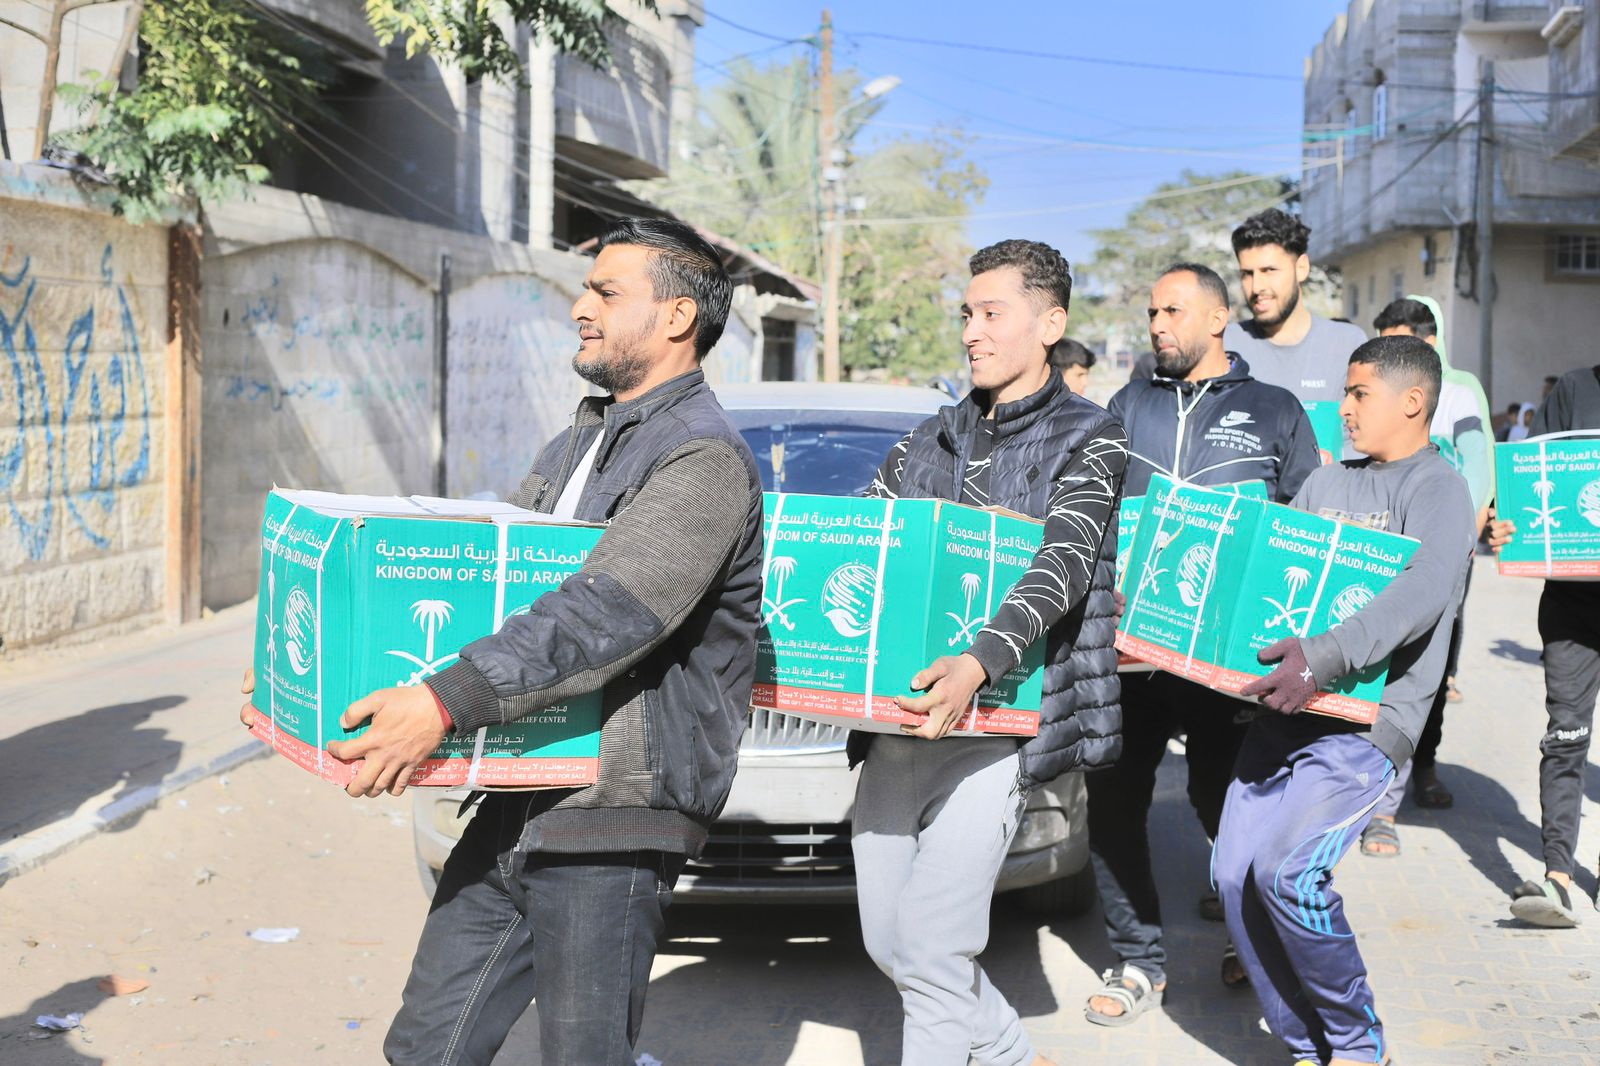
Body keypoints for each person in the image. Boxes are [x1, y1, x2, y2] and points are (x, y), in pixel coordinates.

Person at [236, 218, 765, 1066]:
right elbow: (491, 589)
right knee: (426, 1047)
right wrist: (302, 682)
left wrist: (442, 703)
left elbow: (606, 613)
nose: (578, 307)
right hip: (520, 793)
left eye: (605, 291)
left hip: (612, 817)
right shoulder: (579, 441)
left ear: (675, 317)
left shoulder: (701, 457)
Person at [853, 239, 1128, 1066]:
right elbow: (862, 545)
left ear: (1051, 323)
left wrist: (978, 661)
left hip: (997, 732)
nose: (971, 332)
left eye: (991, 313)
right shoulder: (920, 445)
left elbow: (1065, 562)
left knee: (935, 953)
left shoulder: (1094, 437)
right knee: (888, 944)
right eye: (967, 314)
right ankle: (1009, 1050)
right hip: (894, 729)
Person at [1214, 334, 1475, 1066]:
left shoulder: (1437, 487)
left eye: (1359, 394)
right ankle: (1306, 1044)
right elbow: (1272, 572)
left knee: (1289, 873)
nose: (1344, 407)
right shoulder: (1327, 485)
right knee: (1234, 877)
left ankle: (1358, 1046)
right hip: (1283, 715)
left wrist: (1326, 655)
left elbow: (1421, 595)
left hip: (1365, 726)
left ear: (1412, 401)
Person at [1083, 263, 1320, 1027]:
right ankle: (1137, 957)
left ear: (1218, 319)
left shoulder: (1274, 409)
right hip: (1134, 655)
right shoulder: (1127, 404)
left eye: (1173, 312)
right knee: (1114, 802)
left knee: (1230, 807)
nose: (1157, 325)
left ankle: (1248, 943)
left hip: (1228, 665)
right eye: (1152, 311)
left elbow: (1307, 528)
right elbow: (1094, 508)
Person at [1358, 296, 1493, 857]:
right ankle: (1371, 795)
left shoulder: (1459, 394)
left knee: (1424, 675)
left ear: (1429, 342)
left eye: (1404, 342)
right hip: (1379, 545)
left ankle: (1417, 774)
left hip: (1443, 550)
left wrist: (1459, 549)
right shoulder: (1370, 393)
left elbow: (1480, 466)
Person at [1489, 363, 1600, 927]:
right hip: (1574, 602)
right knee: (1567, 735)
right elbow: (1525, 486)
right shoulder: (1574, 391)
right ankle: (1558, 878)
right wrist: (1507, 526)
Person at [1224, 209, 1368, 413]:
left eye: (1269, 271)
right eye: (1247, 274)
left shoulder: (1347, 344)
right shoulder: (1225, 346)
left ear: (1301, 268)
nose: (1256, 287)